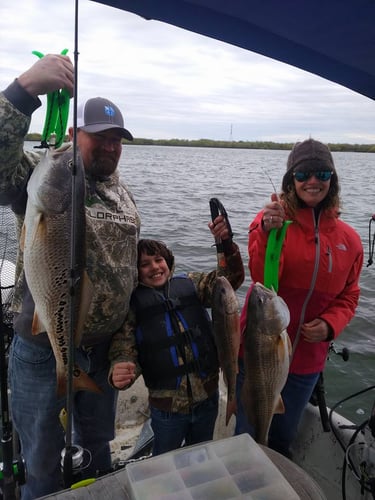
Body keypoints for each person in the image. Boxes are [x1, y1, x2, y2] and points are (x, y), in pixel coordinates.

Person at [0, 54, 141, 499]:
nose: (111, 146)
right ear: (75, 135)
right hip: (43, 351)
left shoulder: (124, 194)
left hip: (101, 356)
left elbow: (126, 280)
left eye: (118, 138)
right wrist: (22, 92)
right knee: (40, 462)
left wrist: (123, 349)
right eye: (100, 137)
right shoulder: (46, 176)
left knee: (97, 454)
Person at [235, 138, 363, 458]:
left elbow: (350, 294)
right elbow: (262, 279)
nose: (313, 181)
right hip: (258, 354)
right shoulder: (271, 222)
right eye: (303, 174)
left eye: (322, 173)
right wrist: (267, 231)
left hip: (307, 362)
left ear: (332, 180)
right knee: (245, 438)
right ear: (291, 180)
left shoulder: (350, 239)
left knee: (282, 438)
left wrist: (331, 325)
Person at [109, 220, 244, 456]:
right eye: (144, 264)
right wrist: (119, 369)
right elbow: (124, 349)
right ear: (135, 271)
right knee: (165, 459)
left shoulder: (192, 283)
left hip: (208, 398)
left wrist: (226, 245)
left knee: (201, 455)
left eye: (159, 260)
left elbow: (229, 280)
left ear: (168, 261)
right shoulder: (132, 306)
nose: (154, 267)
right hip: (167, 409)